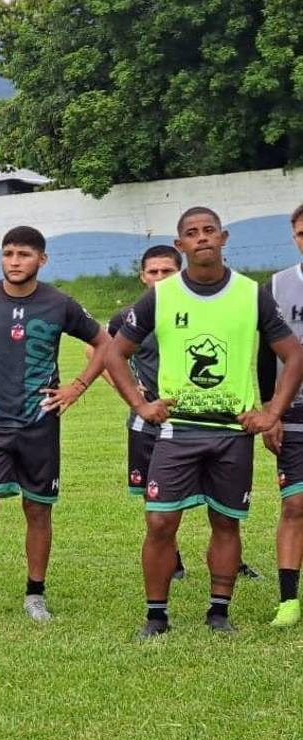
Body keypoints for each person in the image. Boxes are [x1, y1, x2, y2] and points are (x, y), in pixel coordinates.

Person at [105, 207, 303, 637]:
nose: (202, 238)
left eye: (209, 230)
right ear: (181, 245)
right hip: (177, 429)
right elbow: (114, 352)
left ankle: (219, 612)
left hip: (232, 431)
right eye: (192, 233)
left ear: (223, 237)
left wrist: (271, 412)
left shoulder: (251, 294)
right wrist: (141, 404)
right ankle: (156, 616)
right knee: (160, 521)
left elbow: (294, 355)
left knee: (226, 522)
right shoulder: (161, 295)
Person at [0, 226, 109, 634]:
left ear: (41, 260)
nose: (14, 261)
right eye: (8, 253)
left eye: (24, 254)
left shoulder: (59, 303)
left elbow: (105, 344)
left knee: (38, 510)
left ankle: (35, 595)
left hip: (39, 425)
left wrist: (76, 387)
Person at [95, 246, 262, 584]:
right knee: (158, 505)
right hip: (149, 422)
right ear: (142, 276)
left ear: (179, 271)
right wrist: (131, 394)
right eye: (152, 272)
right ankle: (173, 561)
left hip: (198, 420)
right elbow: (99, 351)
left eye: (166, 271)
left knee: (221, 501)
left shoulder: (200, 308)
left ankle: (232, 561)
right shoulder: (131, 316)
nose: (159, 278)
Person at [265, 205, 303, 626]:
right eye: (301, 233)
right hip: (293, 410)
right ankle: (289, 600)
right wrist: (270, 410)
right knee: (295, 503)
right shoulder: (276, 286)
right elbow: (264, 354)